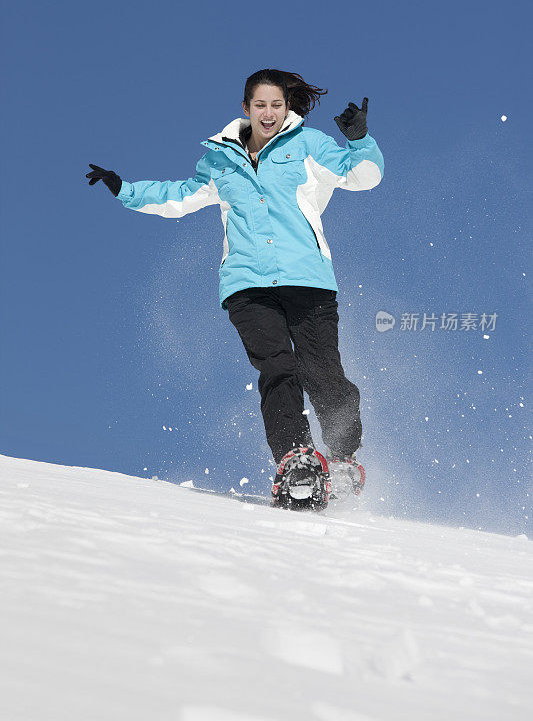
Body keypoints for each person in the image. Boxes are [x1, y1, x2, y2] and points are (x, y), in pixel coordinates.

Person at [86, 69, 384, 510]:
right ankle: (295, 458)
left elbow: (364, 176)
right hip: (248, 285)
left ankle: (342, 456)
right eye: (260, 105)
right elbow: (181, 197)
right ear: (246, 108)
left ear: (288, 108)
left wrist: (359, 140)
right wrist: (126, 190)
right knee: (278, 366)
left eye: (277, 105)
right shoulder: (219, 159)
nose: (268, 113)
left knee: (323, 375)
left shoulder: (309, 145)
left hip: (308, 280)